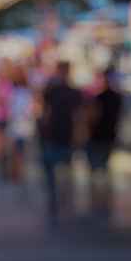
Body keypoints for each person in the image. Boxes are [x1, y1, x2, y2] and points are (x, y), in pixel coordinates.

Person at [38, 61, 83, 227]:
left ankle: (65, 204)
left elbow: (80, 115)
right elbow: (43, 111)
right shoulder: (52, 91)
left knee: (66, 174)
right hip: (53, 137)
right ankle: (55, 208)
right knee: (53, 176)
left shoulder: (73, 92)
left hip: (66, 137)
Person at [85, 70, 122, 218]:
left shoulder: (101, 98)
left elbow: (94, 117)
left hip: (98, 138)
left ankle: (97, 205)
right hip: (110, 137)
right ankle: (107, 205)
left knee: (95, 174)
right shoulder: (117, 98)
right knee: (105, 172)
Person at [6, 67, 35, 185]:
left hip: (14, 124)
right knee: (21, 151)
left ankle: (14, 173)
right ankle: (18, 174)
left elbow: (9, 107)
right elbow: (29, 110)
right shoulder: (27, 93)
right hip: (24, 126)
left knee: (15, 151)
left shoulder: (13, 92)